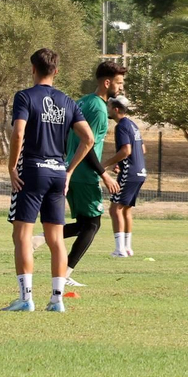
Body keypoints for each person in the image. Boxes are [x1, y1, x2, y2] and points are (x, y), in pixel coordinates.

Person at [3, 48, 98, 313]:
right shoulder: (68, 101)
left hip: (32, 171)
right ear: (56, 71)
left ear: (33, 69)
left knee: (22, 235)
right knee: (56, 239)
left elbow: (18, 133)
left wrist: (12, 166)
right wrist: (69, 171)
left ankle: (25, 298)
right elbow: (89, 139)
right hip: (57, 173)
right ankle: (57, 300)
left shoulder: (25, 97)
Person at [63, 62, 124, 287]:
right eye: (119, 83)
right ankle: (64, 273)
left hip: (72, 170)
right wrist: (103, 175)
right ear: (107, 83)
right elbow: (87, 146)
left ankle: (40, 240)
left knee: (84, 224)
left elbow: (67, 136)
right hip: (84, 174)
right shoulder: (98, 110)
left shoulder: (83, 101)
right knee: (92, 225)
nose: (121, 88)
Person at [103, 94, 146, 257]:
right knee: (126, 209)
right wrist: (119, 163)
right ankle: (127, 248)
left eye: (109, 107)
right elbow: (142, 149)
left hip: (130, 172)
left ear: (116, 109)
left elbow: (126, 150)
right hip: (140, 172)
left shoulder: (121, 126)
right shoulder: (133, 125)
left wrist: (105, 164)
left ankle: (120, 250)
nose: (108, 110)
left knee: (115, 209)